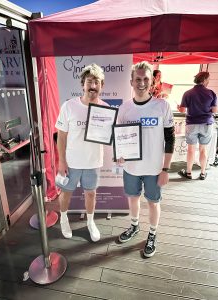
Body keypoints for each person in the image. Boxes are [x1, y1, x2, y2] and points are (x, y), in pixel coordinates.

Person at [117, 61, 175, 258]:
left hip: (154, 168)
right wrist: (119, 154)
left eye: (146, 79)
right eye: (138, 79)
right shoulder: (124, 108)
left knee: (152, 202)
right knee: (133, 199)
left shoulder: (162, 106)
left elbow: (170, 139)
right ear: (131, 81)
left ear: (152, 82)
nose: (141, 83)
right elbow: (121, 137)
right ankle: (134, 226)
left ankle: (152, 233)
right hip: (131, 167)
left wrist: (166, 169)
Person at [55, 63, 107, 242]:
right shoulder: (69, 106)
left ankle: (91, 222)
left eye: (97, 82)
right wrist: (62, 162)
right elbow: (61, 137)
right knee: (66, 193)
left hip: (93, 161)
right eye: (89, 81)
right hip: (72, 162)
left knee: (91, 193)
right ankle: (63, 219)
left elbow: (111, 135)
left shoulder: (106, 109)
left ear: (102, 85)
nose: (93, 86)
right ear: (82, 84)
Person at [177, 71, 217, 180]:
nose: (208, 81)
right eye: (208, 79)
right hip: (206, 124)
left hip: (192, 124)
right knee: (203, 149)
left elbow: (182, 110)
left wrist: (178, 107)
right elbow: (215, 110)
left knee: (191, 149)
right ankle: (203, 173)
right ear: (204, 80)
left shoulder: (188, 93)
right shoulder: (211, 93)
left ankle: (188, 173)